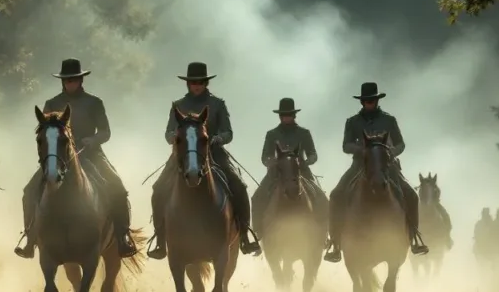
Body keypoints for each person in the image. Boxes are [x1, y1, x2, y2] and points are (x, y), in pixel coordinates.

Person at [14, 58, 137, 259]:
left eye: (74, 79)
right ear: (62, 81)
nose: (70, 82)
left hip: (91, 154)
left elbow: (105, 132)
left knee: (117, 187)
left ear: (81, 80)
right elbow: (45, 133)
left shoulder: (95, 102)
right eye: (67, 79)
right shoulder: (51, 104)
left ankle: (122, 236)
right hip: (59, 157)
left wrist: (92, 140)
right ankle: (30, 238)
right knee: (29, 191)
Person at [147, 62, 261, 259]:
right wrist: (174, 138)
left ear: (206, 83)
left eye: (200, 82)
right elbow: (168, 132)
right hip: (182, 156)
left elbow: (228, 132)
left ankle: (244, 235)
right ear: (188, 84)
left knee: (239, 186)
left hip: (214, 154)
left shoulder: (218, 104)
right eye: (193, 82)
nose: (196, 85)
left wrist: (218, 139)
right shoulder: (178, 105)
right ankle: (160, 240)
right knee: (158, 188)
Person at [323, 82, 428, 263]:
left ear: (377, 101)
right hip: (360, 166)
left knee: (411, 195)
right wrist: (361, 150)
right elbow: (346, 145)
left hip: (387, 166)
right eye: (366, 101)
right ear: (362, 102)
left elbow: (401, 144)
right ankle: (335, 242)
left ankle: (413, 238)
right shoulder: (352, 122)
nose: (369, 103)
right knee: (336, 194)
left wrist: (390, 152)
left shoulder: (389, 120)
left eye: (372, 100)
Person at [250, 97, 328, 238]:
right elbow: (264, 157)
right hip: (276, 173)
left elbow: (313, 154)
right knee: (257, 197)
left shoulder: (304, 133)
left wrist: (306, 161)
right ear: (279, 116)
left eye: (289, 115)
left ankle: (324, 234)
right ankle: (258, 233)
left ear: (294, 115)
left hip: (301, 172)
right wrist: (272, 162)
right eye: (283, 115)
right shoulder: (272, 134)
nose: (286, 118)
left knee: (321, 197)